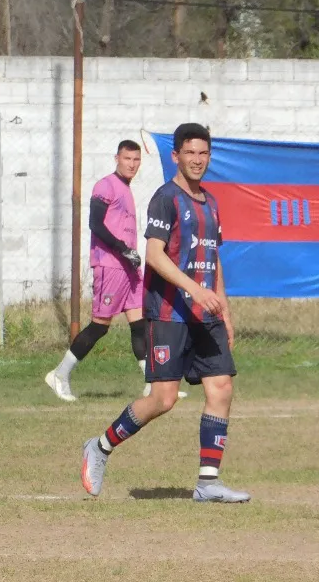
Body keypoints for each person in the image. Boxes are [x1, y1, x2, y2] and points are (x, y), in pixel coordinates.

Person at [80, 123, 249, 504]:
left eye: (203, 153)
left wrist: (225, 310)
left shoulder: (212, 203)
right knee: (163, 400)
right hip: (170, 313)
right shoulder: (165, 198)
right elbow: (154, 256)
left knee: (221, 387)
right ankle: (100, 446)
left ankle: (208, 482)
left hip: (206, 315)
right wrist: (195, 290)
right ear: (176, 156)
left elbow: (213, 259)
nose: (197, 160)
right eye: (189, 152)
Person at [46, 140, 154, 403]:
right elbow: (95, 223)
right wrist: (121, 248)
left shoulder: (126, 189)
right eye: (127, 158)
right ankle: (60, 375)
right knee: (100, 326)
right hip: (110, 264)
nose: (132, 164)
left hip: (128, 267)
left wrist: (131, 253)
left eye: (136, 159)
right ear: (116, 158)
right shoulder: (106, 185)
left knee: (140, 324)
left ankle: (153, 386)